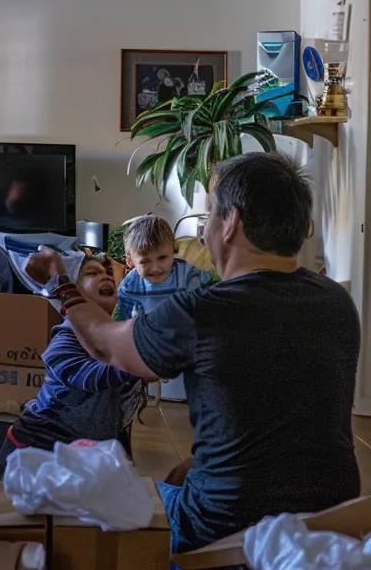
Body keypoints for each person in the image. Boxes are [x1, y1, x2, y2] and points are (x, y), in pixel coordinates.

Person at [22, 152, 359, 555]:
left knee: (88, 500)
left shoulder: (205, 310)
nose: (204, 232)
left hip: (224, 524)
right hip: (334, 517)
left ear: (231, 222)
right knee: (181, 472)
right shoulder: (337, 301)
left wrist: (59, 282)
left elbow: (104, 344)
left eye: (211, 213)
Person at [0, 256, 145, 463]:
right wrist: (140, 365)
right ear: (72, 291)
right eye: (93, 273)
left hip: (80, 453)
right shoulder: (66, 335)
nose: (106, 277)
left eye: (107, 273)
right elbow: (85, 375)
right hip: (36, 451)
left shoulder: (115, 336)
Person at [112, 214, 212, 321]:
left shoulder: (188, 274)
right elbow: (124, 323)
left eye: (162, 258)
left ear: (174, 251)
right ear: (130, 261)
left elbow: (203, 309)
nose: (155, 268)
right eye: (145, 261)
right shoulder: (129, 286)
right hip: (146, 334)